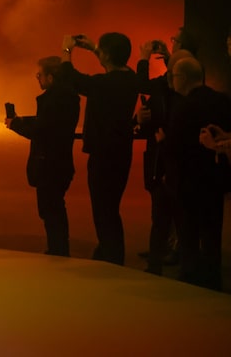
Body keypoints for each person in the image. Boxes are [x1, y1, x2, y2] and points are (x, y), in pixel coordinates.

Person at [61, 32, 139, 265]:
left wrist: (67, 51)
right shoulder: (131, 79)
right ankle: (110, 252)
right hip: (122, 151)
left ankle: (111, 258)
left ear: (106, 55)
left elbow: (71, 78)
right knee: (111, 207)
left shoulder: (102, 84)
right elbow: (111, 64)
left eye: (101, 52)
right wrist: (95, 48)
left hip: (103, 155)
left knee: (104, 210)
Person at [5, 56, 80, 256]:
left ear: (51, 77)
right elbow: (47, 123)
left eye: (40, 75)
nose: (38, 79)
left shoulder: (53, 100)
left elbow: (41, 131)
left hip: (49, 164)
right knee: (54, 207)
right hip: (61, 163)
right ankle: (58, 249)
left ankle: (58, 251)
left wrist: (16, 124)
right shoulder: (69, 97)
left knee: (51, 210)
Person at [167, 56, 231, 290]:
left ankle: (190, 280)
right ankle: (213, 278)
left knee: (189, 233)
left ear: (182, 78)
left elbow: (175, 145)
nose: (171, 81)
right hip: (215, 177)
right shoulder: (222, 101)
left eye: (173, 76)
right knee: (213, 231)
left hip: (189, 180)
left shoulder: (183, 106)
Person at [135, 40, 196, 274]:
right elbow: (145, 118)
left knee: (177, 218)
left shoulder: (185, 97)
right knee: (163, 217)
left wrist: (143, 57)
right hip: (162, 167)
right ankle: (164, 261)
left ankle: (170, 261)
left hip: (175, 169)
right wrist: (140, 120)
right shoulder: (164, 92)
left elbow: (140, 84)